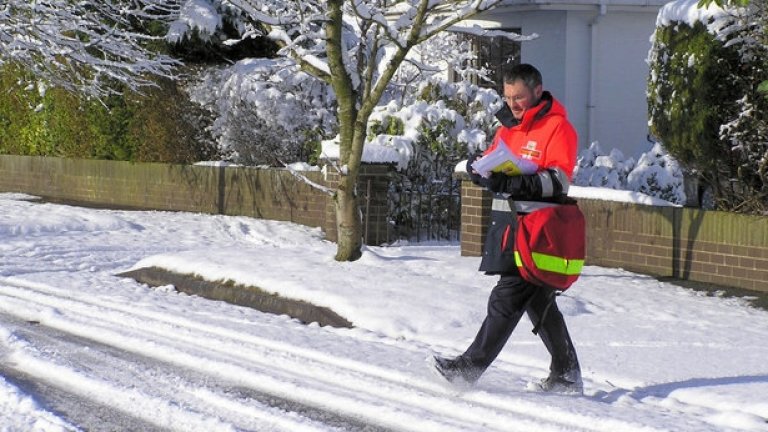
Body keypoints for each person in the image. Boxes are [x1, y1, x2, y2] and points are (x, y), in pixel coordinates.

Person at [432, 63, 582, 393]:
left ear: (538, 92)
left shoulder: (559, 129)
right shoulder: (507, 130)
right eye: (508, 96)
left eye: (520, 97)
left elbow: (559, 181)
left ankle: (468, 369)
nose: (513, 104)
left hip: (540, 233)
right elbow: (492, 163)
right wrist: (479, 170)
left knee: (506, 298)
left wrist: (514, 181)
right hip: (509, 230)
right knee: (538, 303)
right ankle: (567, 373)